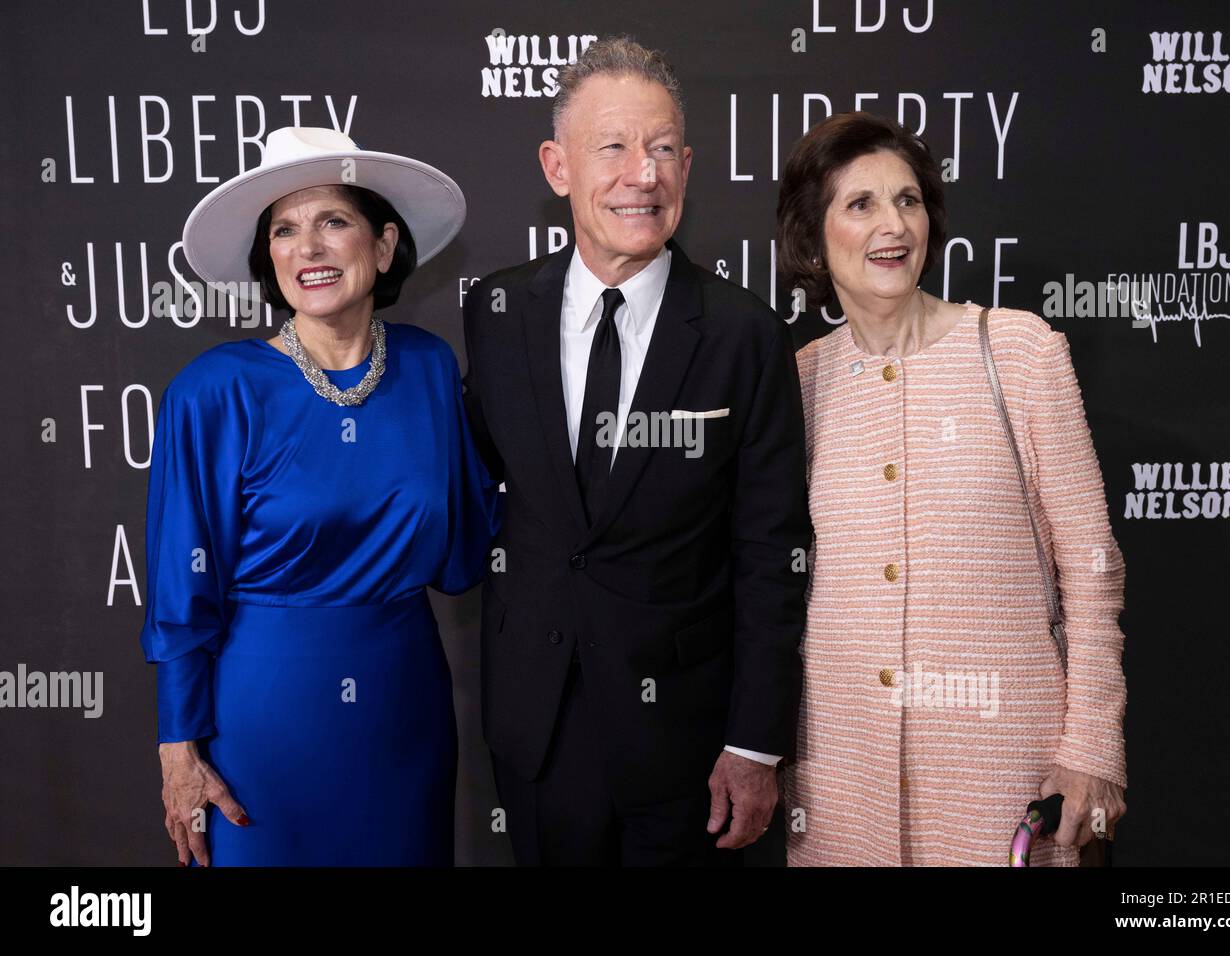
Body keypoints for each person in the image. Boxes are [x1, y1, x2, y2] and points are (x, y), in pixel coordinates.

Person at [461, 36, 810, 866]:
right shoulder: (498, 312)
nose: (641, 175)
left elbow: (772, 548)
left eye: (660, 151)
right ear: (558, 167)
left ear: (686, 166)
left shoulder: (743, 334)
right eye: (612, 147)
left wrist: (756, 744)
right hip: (537, 731)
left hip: (687, 743)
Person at [776, 112, 1128, 866]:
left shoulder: (1021, 352)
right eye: (860, 203)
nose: (892, 224)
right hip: (841, 790)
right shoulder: (801, 385)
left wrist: (1091, 747)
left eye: (907, 200)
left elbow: (1093, 571)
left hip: (1010, 780)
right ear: (812, 236)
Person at [141, 126, 499, 866]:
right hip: (264, 726)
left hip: (406, 713)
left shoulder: (431, 368)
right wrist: (178, 746)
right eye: (285, 230)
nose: (308, 248)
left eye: (333, 221)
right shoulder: (216, 391)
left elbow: (467, 552)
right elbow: (183, 586)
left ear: (384, 243)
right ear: (268, 259)